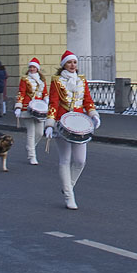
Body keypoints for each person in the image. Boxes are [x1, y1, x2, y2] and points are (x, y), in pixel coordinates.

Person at [43, 51, 100, 209]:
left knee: (81, 161)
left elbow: (87, 100)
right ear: (64, 65)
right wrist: (50, 124)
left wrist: (94, 114)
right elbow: (53, 103)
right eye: (69, 63)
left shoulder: (82, 80)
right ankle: (69, 196)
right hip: (63, 122)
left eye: (75, 62)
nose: (73, 65)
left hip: (80, 124)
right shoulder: (57, 81)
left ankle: (68, 186)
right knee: (65, 160)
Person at [14, 57, 48, 165]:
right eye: (30, 67)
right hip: (27, 108)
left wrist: (46, 99)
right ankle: (32, 156)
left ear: (37, 69)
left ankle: (30, 147)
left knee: (40, 132)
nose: (32, 69)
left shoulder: (42, 80)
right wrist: (18, 107)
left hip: (40, 109)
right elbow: (21, 93)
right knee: (31, 132)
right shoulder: (25, 79)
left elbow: (45, 93)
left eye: (34, 67)